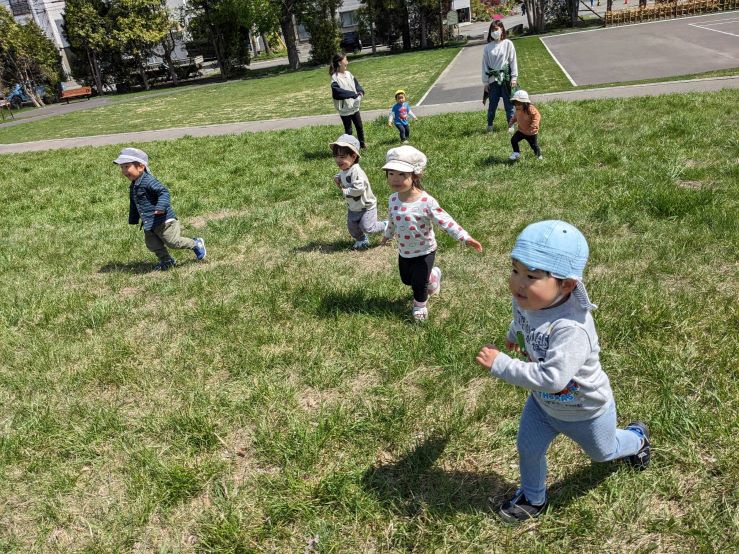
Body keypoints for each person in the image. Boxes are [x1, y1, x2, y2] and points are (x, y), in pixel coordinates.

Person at [475, 220, 651, 523]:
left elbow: (554, 379)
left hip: (586, 411)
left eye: (531, 276)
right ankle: (533, 498)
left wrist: (502, 364)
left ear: (567, 284)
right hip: (543, 406)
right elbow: (523, 322)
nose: (518, 282)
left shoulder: (572, 328)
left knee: (603, 453)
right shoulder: (528, 300)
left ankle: (637, 438)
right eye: (515, 270)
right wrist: (512, 335)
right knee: (528, 448)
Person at [380, 146, 482, 321]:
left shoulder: (426, 201)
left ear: (415, 176)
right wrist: (387, 235)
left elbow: (445, 220)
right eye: (391, 174)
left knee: (419, 284)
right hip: (404, 250)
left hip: (425, 250)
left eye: (401, 175)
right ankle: (434, 275)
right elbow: (392, 220)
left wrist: (464, 237)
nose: (395, 179)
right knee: (407, 280)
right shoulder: (393, 199)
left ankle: (420, 306)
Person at [114, 147, 206, 270]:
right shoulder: (134, 185)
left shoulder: (148, 181)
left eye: (127, 166)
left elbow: (164, 192)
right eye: (122, 167)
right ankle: (167, 261)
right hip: (149, 222)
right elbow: (134, 203)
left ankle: (196, 243)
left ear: (140, 167)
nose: (124, 171)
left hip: (164, 221)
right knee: (152, 244)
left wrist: (161, 207)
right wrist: (133, 218)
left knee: (173, 242)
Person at [330, 134, 386, 250]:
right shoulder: (345, 169)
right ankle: (362, 239)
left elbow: (359, 188)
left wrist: (346, 191)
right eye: (336, 156)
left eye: (342, 157)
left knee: (368, 227)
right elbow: (343, 175)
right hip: (353, 207)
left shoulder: (357, 171)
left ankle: (387, 225)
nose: (338, 160)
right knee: (352, 228)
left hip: (366, 206)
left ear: (354, 156)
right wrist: (338, 178)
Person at [482, 20, 518, 133]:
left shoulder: (508, 44)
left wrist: (514, 77)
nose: (494, 32)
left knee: (509, 104)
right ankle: (490, 125)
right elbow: (485, 65)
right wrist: (486, 82)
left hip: (506, 79)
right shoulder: (488, 47)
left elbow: (513, 61)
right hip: (493, 80)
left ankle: (511, 125)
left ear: (502, 29)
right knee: (492, 105)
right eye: (492, 30)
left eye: (496, 29)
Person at [329, 53, 366, 149]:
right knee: (349, 130)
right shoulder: (335, 77)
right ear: (339, 62)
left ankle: (362, 145)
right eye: (345, 60)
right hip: (344, 109)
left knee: (359, 127)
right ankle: (349, 147)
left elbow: (357, 85)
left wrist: (360, 92)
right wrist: (353, 95)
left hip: (354, 106)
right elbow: (337, 93)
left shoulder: (349, 74)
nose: (347, 62)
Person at [508, 90, 542, 161]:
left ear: (525, 103)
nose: (517, 106)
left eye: (519, 104)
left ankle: (539, 156)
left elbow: (537, 116)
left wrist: (533, 125)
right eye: (515, 104)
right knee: (514, 140)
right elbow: (515, 116)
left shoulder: (530, 109)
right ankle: (516, 152)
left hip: (531, 132)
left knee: (534, 145)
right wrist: (511, 122)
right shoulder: (518, 109)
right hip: (521, 131)